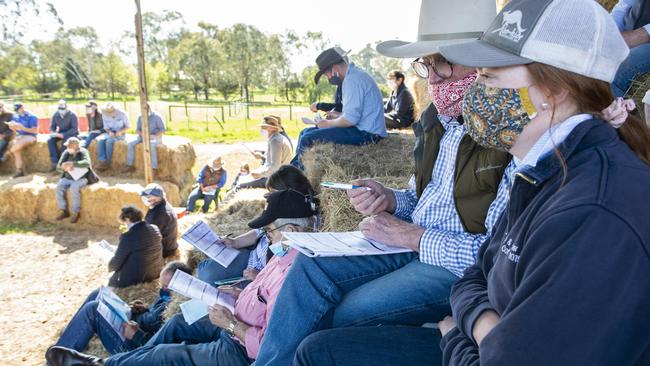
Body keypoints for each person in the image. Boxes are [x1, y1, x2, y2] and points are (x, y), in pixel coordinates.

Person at [296, 0, 650, 365]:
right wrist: (483, 324)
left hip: (468, 348)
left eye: (488, 77)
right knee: (317, 350)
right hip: (477, 336)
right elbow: (475, 276)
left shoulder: (591, 209)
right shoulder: (541, 169)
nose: (476, 94)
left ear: (554, 91)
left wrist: (457, 336)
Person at [255, 0, 512, 364]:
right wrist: (391, 199)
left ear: (483, 60)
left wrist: (413, 236)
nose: (433, 77)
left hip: (454, 266)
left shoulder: (512, 136)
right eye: (426, 63)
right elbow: (423, 196)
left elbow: (498, 256)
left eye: (442, 61)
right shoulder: (439, 120)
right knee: (307, 267)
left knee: (344, 313)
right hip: (409, 242)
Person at [45, 189, 318, 366]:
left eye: (269, 231)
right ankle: (126, 360)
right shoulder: (285, 254)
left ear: (292, 229)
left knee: (166, 356)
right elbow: (262, 295)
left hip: (240, 350)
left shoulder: (296, 277)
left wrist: (231, 325)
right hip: (237, 318)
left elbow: (271, 346)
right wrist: (240, 293)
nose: (266, 237)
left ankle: (105, 364)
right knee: (178, 321)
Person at [197, 165, 319, 284]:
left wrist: (261, 278)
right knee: (205, 273)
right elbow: (259, 231)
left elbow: (282, 271)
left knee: (220, 290)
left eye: (273, 194)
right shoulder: (277, 211)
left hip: (264, 276)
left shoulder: (303, 229)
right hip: (253, 257)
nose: (269, 199)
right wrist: (235, 242)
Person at [48, 261, 192, 356]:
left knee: (93, 309)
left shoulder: (180, 312)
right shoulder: (170, 295)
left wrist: (136, 335)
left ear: (182, 285)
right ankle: (72, 338)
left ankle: (56, 359)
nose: (162, 288)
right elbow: (156, 315)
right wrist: (145, 309)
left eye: (166, 286)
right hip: (132, 322)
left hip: (134, 348)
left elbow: (159, 352)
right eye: (161, 283)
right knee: (97, 294)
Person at [290, 47, 388, 170]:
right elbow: (355, 114)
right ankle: (291, 170)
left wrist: (327, 123)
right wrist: (338, 115)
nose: (328, 78)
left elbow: (350, 120)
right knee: (305, 132)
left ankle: (296, 176)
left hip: (368, 134)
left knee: (307, 138)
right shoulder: (354, 76)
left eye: (327, 75)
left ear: (335, 68)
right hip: (365, 128)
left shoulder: (352, 80)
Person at [108, 206, 163, 288]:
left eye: (124, 222)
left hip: (138, 278)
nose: (124, 224)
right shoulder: (155, 228)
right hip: (155, 272)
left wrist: (109, 266)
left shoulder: (128, 236)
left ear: (127, 219)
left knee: (112, 281)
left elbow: (116, 263)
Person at [239, 116, 292, 189]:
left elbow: (275, 167)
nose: (261, 130)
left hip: (276, 179)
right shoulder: (276, 138)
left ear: (272, 128)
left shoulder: (275, 141)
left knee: (239, 186)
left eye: (264, 127)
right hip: (277, 176)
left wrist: (260, 174)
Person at [610, 0, 650, 97]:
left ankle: (617, 110)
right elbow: (623, 6)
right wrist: (610, 31)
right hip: (631, 27)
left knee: (614, 72)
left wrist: (640, 35)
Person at [55, 137, 95, 223]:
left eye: (69, 146)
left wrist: (73, 164)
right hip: (67, 177)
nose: (67, 147)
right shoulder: (66, 153)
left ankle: (76, 212)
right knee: (59, 187)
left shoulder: (83, 152)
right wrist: (63, 168)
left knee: (74, 188)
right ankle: (63, 210)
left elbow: (87, 163)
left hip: (81, 178)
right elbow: (58, 166)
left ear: (75, 145)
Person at [123, 104, 166, 174]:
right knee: (130, 144)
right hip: (143, 136)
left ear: (149, 109)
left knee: (151, 146)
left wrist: (154, 136)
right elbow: (137, 130)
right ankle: (129, 165)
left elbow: (163, 130)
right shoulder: (140, 117)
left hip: (155, 137)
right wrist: (142, 134)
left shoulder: (157, 117)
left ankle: (154, 168)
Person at [141, 183, 179, 259]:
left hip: (164, 251)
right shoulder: (159, 206)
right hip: (166, 246)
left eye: (149, 196)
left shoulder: (161, 213)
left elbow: (151, 236)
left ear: (158, 197)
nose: (146, 198)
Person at [309, 46, 348, 114]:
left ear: (334, 69)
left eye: (327, 75)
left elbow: (341, 107)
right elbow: (339, 108)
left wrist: (319, 106)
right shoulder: (341, 84)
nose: (328, 78)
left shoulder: (350, 83)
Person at [6, 103, 38, 177]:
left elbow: (34, 130)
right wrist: (12, 127)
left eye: (18, 109)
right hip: (20, 136)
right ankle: (19, 170)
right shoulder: (16, 116)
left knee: (15, 148)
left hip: (30, 136)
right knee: (16, 151)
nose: (17, 111)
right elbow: (15, 130)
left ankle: (7, 153)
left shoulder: (32, 116)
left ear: (22, 108)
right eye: (16, 110)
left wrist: (22, 127)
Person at [47, 99, 79, 172]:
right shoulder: (56, 115)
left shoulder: (72, 115)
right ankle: (54, 162)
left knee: (65, 143)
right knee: (50, 141)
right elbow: (52, 126)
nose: (61, 110)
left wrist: (63, 135)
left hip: (71, 133)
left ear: (66, 108)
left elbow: (74, 128)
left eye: (63, 109)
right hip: (60, 132)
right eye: (59, 108)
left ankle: (62, 162)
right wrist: (53, 132)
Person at [96, 102, 129, 171]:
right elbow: (106, 128)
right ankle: (102, 160)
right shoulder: (104, 114)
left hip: (120, 133)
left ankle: (108, 161)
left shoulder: (123, 114)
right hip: (110, 132)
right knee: (100, 140)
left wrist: (120, 132)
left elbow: (128, 127)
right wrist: (109, 132)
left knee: (109, 141)